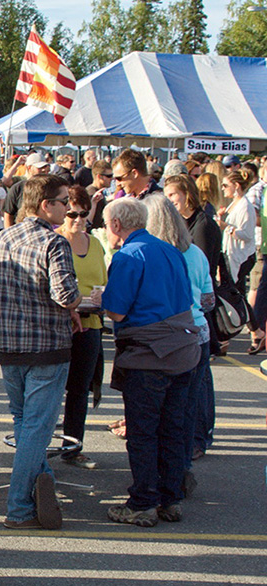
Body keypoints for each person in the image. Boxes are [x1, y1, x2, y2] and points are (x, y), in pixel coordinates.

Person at [101, 198, 200, 527]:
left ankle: (143, 502)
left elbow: (116, 311)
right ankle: (170, 499)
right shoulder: (170, 249)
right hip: (184, 348)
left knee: (143, 433)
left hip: (149, 354)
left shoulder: (129, 255)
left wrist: (101, 297)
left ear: (115, 225)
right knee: (173, 429)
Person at [0, 175, 81, 530]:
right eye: (64, 202)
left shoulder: (3, 238)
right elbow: (64, 294)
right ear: (46, 205)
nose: (67, 208)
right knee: (36, 428)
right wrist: (78, 301)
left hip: (11, 344)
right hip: (46, 346)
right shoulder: (53, 243)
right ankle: (18, 507)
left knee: (25, 423)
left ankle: (40, 485)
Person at [144, 193, 213, 494]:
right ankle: (180, 470)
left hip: (165, 338)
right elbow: (209, 299)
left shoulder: (155, 254)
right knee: (184, 410)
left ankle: (159, 477)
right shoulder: (195, 252)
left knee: (155, 415)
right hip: (199, 333)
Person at [56, 185, 107, 470]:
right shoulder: (54, 240)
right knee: (51, 389)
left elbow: (103, 280)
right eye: (72, 214)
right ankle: (41, 446)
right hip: (61, 324)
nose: (77, 220)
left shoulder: (96, 243)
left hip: (90, 324)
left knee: (80, 390)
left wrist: (98, 298)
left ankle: (73, 446)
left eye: (83, 214)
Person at [218, 168, 257, 295]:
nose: (222, 188)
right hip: (231, 254)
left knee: (237, 293)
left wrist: (226, 227)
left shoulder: (245, 206)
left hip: (241, 256)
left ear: (236, 186)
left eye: (225, 185)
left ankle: (243, 314)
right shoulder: (234, 203)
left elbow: (247, 234)